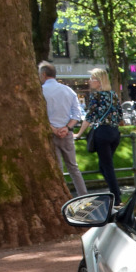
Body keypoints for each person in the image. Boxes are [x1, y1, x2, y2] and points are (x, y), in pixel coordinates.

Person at [38, 61, 87, 196]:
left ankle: (61, 196)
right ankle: (83, 195)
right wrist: (67, 128)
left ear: (43, 74)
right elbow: (77, 115)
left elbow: (39, 115)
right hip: (66, 133)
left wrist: (53, 129)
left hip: (50, 134)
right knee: (73, 167)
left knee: (57, 169)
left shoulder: (41, 92)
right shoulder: (68, 91)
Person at [75, 68, 122, 206]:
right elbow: (120, 114)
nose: (89, 81)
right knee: (104, 166)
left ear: (99, 82)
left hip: (102, 133)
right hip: (114, 133)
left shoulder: (96, 96)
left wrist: (79, 133)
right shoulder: (113, 95)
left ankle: (116, 196)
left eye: (92, 79)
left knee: (107, 166)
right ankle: (115, 193)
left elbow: (89, 117)